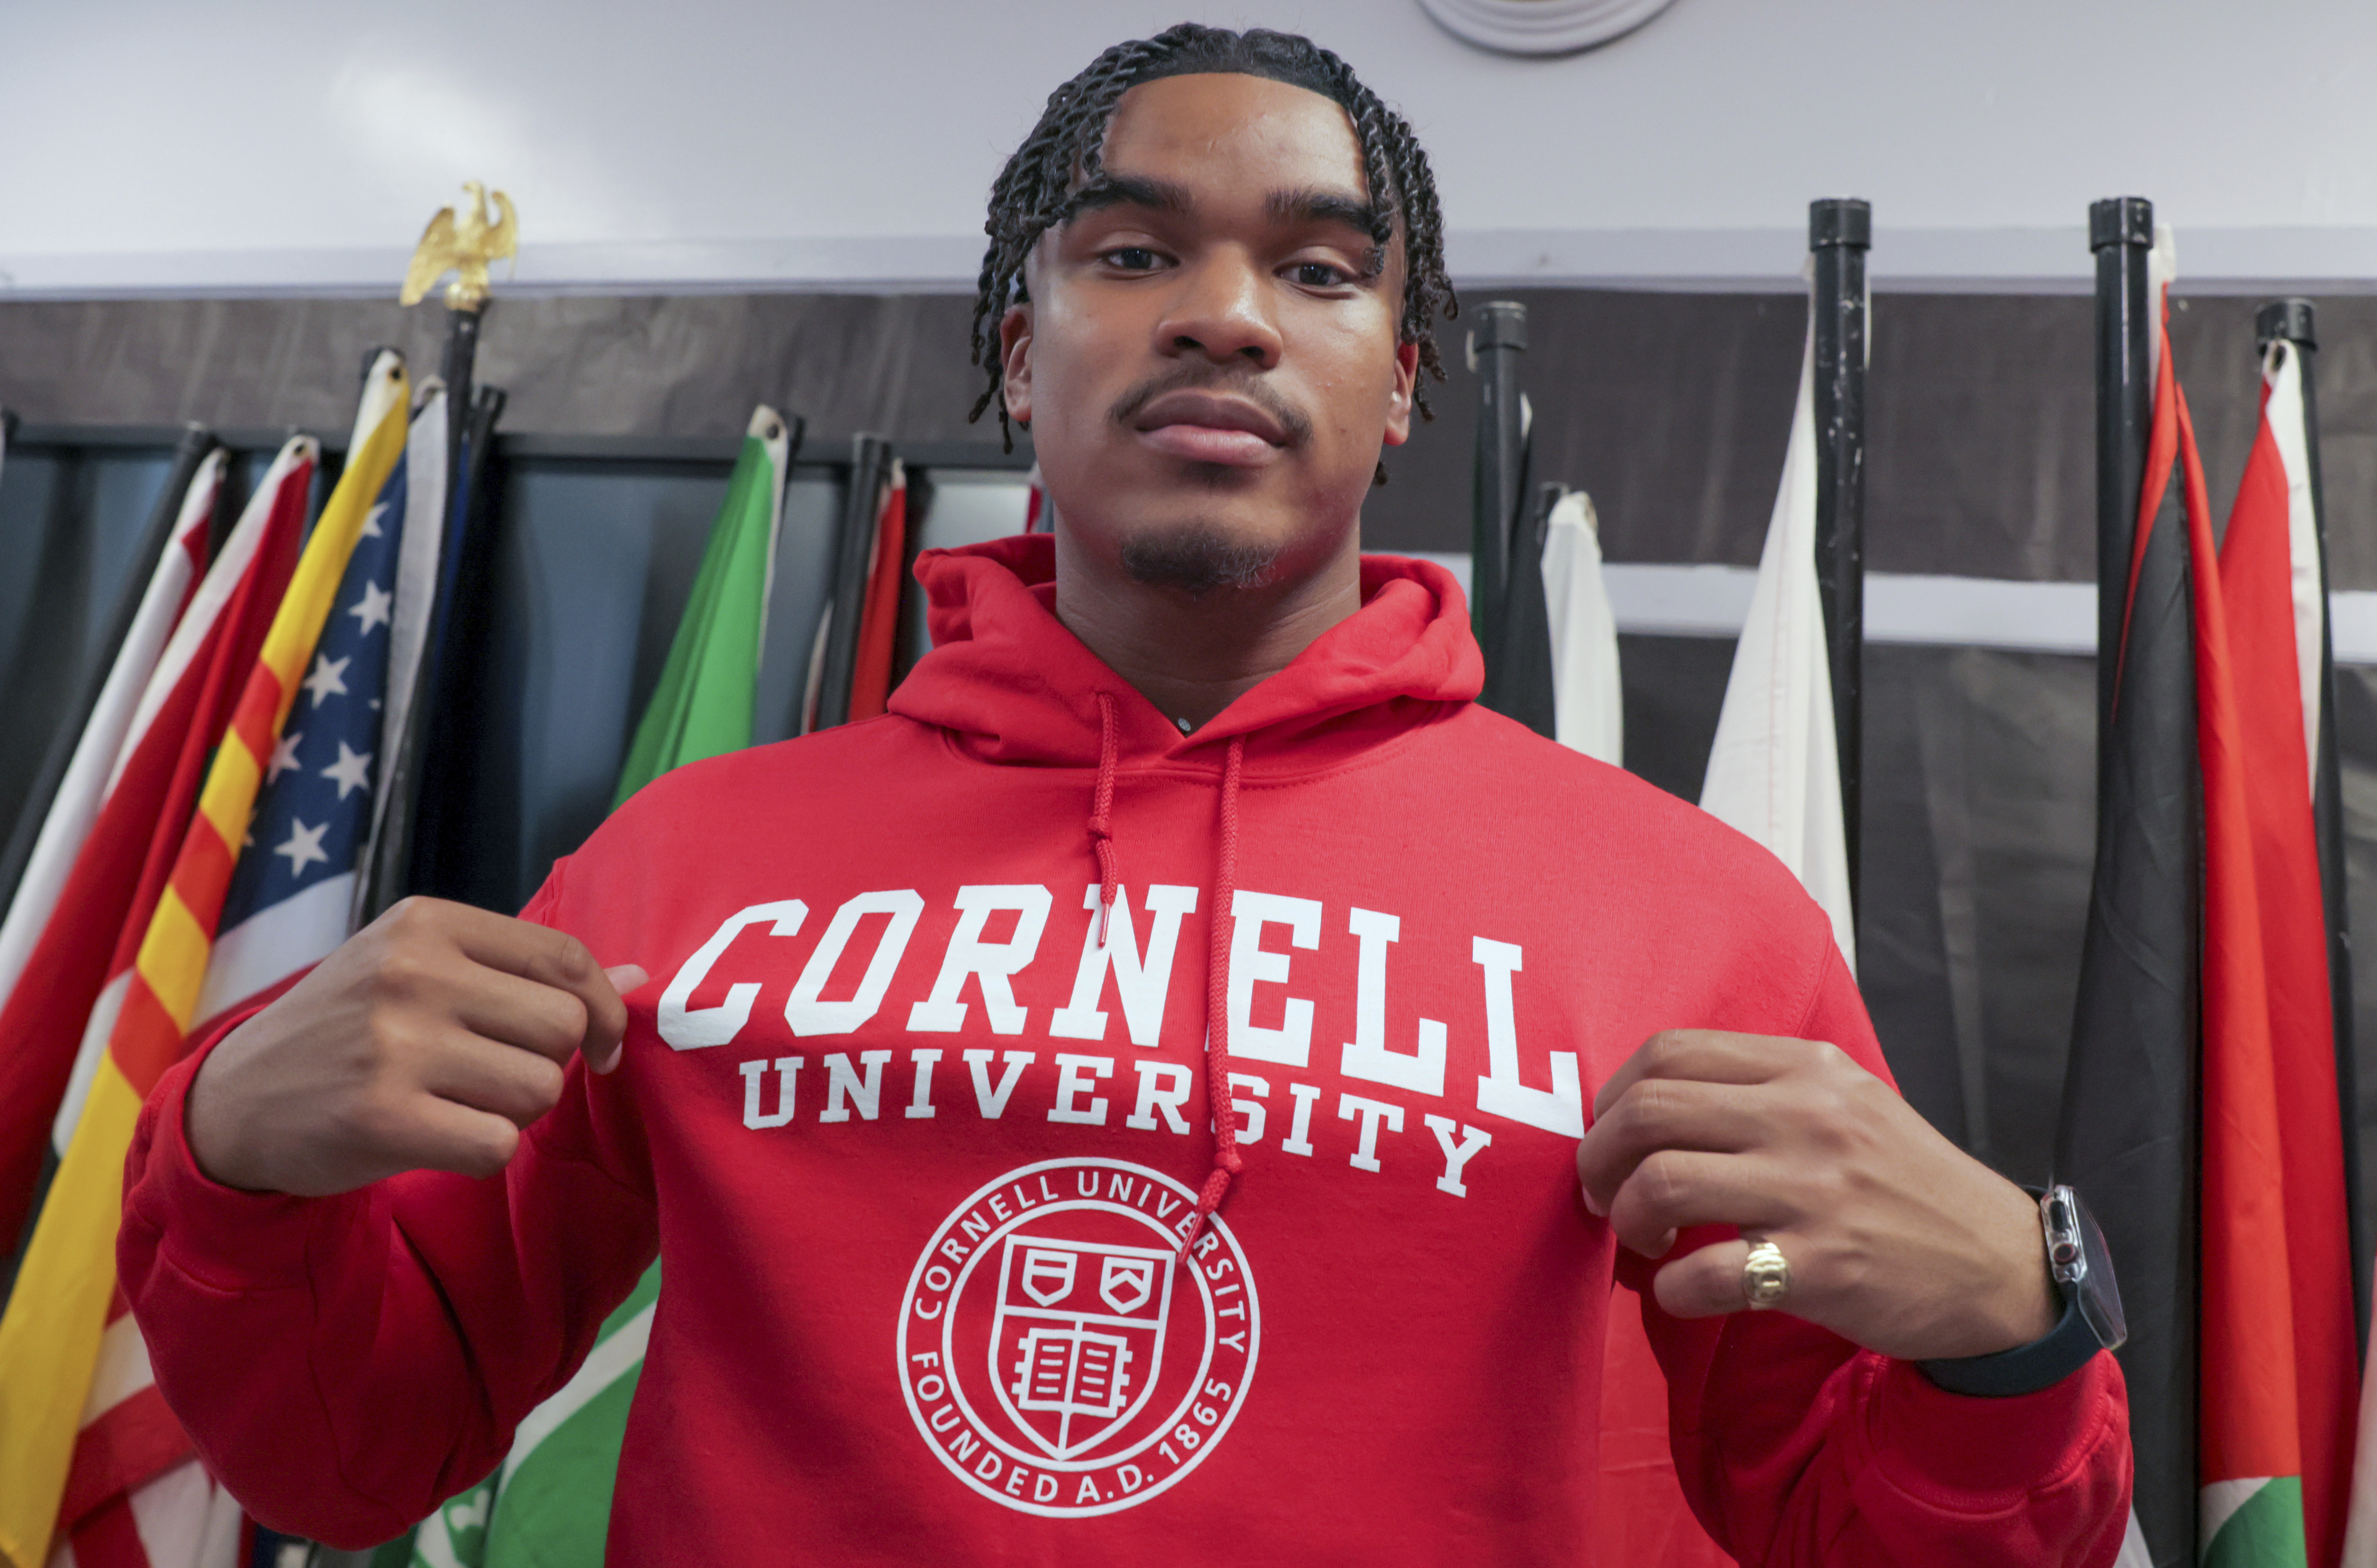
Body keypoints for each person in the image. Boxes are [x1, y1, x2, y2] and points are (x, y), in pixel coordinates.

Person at [122, 25, 2130, 1565]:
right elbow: (353, 1450)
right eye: (1134, 248)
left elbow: (1857, 1529)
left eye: (1322, 271)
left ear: (1399, 375)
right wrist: (226, 1164)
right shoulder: (686, 863)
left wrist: (2012, 1333)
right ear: (1020, 344)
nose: (1226, 311)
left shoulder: (1688, 917)